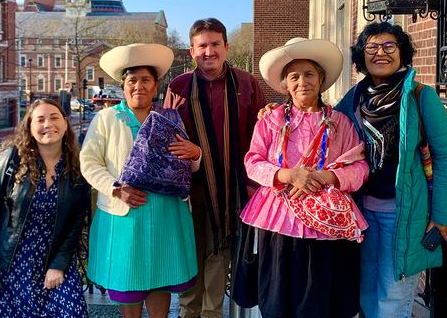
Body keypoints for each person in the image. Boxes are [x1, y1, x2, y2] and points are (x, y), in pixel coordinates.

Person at [234, 38, 369, 318]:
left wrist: (324, 176)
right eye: (294, 76)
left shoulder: (340, 123)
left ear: (321, 79)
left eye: (309, 74)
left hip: (326, 226)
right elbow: (253, 162)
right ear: (285, 84)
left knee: (319, 299)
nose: (302, 82)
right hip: (277, 222)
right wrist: (288, 175)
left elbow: (359, 168)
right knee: (278, 299)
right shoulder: (270, 121)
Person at [337, 22, 447, 317]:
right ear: (361, 56)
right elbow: (323, 124)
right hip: (362, 214)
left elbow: (445, 157)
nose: (381, 53)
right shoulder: (354, 98)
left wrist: (443, 215)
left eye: (389, 46)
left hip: (405, 214)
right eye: (372, 47)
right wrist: (279, 110)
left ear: (402, 53)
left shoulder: (420, 96)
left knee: (393, 297)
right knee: (365, 292)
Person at [80, 43, 201, 318]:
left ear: (156, 84)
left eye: (146, 80)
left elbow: (184, 166)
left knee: (160, 280)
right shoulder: (106, 119)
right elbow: (88, 163)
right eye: (132, 80)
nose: (139, 86)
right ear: (123, 85)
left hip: (165, 214)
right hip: (125, 216)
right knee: (129, 283)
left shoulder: (169, 118)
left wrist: (196, 154)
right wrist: (116, 188)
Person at [164, 18, 267, 318]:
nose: (209, 51)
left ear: (226, 47)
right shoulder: (179, 86)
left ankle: (212, 314)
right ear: (191, 51)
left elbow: (260, 137)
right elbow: (168, 138)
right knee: (191, 254)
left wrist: (252, 187)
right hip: (191, 190)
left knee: (219, 256)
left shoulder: (246, 83)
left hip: (232, 189)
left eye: (215, 44)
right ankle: (187, 312)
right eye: (202, 46)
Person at [0, 98, 91, 318]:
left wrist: (59, 264)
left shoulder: (79, 167)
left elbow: (76, 222)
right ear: (30, 128)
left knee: (72, 311)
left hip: (53, 261)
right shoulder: (12, 159)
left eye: (54, 118)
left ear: (65, 124)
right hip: (10, 263)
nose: (48, 124)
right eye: (40, 120)